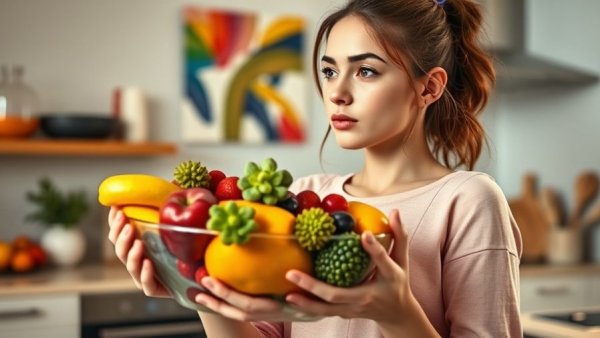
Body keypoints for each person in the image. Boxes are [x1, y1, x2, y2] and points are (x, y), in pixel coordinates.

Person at [108, 0, 523, 336]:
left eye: (365, 71)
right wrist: (195, 283)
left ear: (428, 87)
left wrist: (398, 314)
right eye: (329, 70)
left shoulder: (467, 201)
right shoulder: (304, 197)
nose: (337, 93)